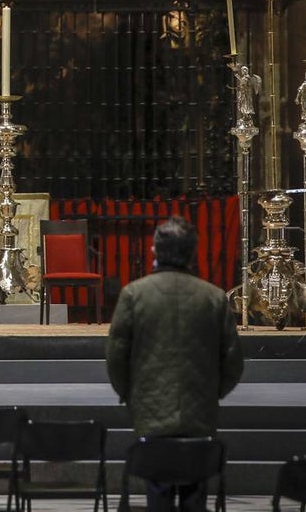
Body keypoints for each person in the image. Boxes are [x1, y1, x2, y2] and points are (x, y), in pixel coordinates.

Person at [106, 216, 244, 512]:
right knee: (196, 494)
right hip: (199, 413)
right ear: (193, 252)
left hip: (152, 414)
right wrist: (212, 392)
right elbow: (232, 361)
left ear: (155, 250)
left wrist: (130, 394)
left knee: (159, 495)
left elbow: (116, 356)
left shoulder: (134, 294)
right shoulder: (214, 297)